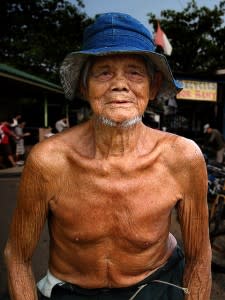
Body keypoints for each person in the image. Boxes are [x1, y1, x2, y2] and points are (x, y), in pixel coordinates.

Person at [5, 13, 211, 300]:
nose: (119, 84)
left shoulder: (182, 158)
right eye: (103, 72)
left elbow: (199, 257)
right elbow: (18, 256)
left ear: (152, 87)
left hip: (158, 286)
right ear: (83, 85)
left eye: (135, 73)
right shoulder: (49, 161)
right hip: (72, 292)